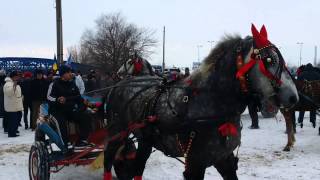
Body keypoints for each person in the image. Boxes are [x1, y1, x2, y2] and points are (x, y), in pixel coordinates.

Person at [47, 65, 93, 149]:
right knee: (61, 122)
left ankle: (81, 141)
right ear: (63, 74)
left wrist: (84, 102)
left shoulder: (72, 84)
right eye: (68, 72)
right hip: (56, 111)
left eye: (70, 72)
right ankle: (65, 144)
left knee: (85, 116)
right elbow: (49, 97)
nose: (70, 74)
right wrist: (58, 99)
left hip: (69, 111)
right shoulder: (54, 84)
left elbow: (78, 97)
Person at [297, 63, 320, 128]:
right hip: (314, 97)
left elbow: (298, 84)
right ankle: (313, 121)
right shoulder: (317, 74)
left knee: (302, 108)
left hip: (304, 96)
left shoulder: (302, 74)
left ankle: (300, 121)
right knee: (313, 108)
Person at [3, 71, 23, 137]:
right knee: (12, 121)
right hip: (11, 106)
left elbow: (17, 93)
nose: (18, 77)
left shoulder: (16, 83)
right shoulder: (8, 84)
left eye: (18, 76)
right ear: (13, 77)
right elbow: (9, 93)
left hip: (17, 106)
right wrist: (14, 85)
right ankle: (11, 133)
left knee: (18, 119)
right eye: (16, 76)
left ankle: (14, 130)